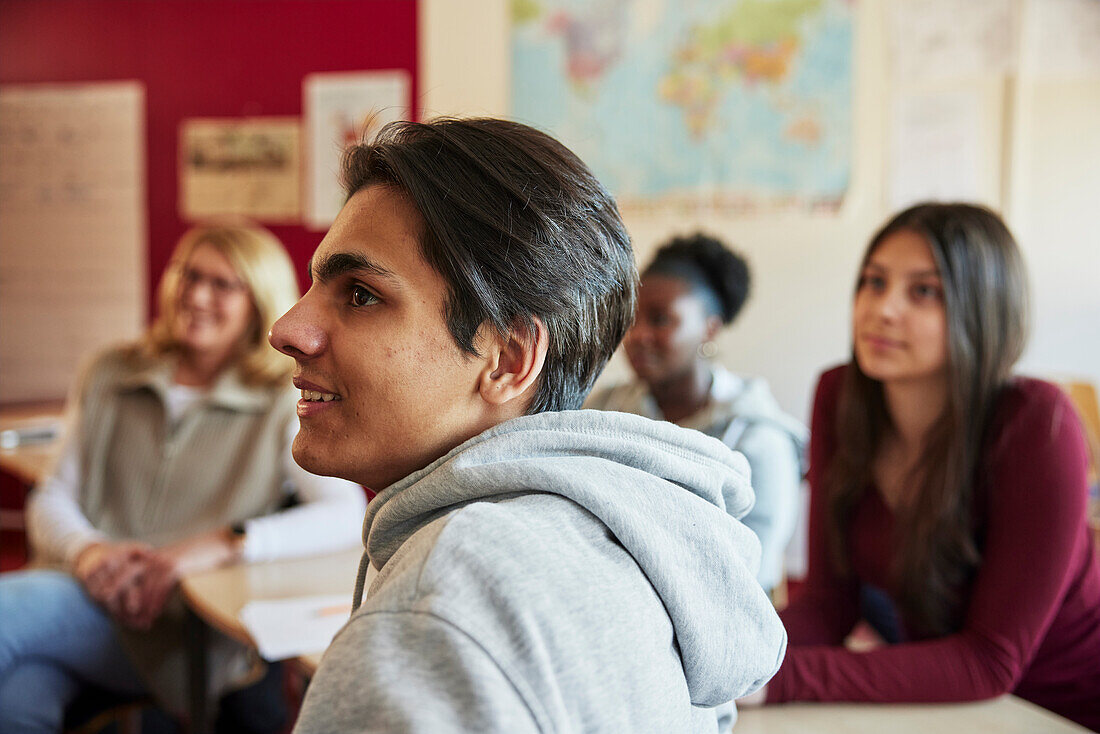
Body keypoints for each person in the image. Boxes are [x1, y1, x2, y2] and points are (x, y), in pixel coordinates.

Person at [268, 117, 787, 733]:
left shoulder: (437, 611)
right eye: (314, 286)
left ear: (509, 360)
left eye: (360, 294)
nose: (287, 329)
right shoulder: (626, 540)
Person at [0, 223, 365, 733]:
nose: (196, 295)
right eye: (188, 275)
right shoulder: (109, 372)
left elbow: (345, 514)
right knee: (15, 705)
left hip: (176, 629)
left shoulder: (281, 399)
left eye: (222, 284)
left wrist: (224, 542)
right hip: (79, 591)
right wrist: (90, 553)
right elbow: (52, 496)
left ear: (257, 301)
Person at [757, 203, 1100, 730]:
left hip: (1061, 703)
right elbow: (829, 602)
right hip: (938, 696)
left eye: (924, 291)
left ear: (983, 310)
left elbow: (990, 661)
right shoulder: (839, 394)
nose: (883, 309)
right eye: (874, 282)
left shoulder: (1039, 423)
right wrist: (738, 654)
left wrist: (777, 681)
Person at [586, 234, 806, 595]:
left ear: (710, 328)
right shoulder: (603, 412)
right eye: (631, 319)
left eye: (660, 319)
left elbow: (754, 573)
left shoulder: (758, 439)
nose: (638, 336)